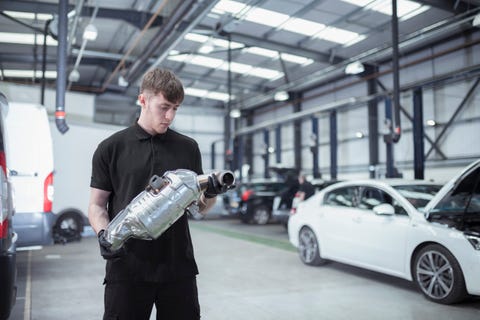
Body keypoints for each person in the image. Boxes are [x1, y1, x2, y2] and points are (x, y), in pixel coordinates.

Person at [88, 68, 227, 320]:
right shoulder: (111, 148)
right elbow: (97, 205)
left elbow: (200, 208)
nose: (170, 116)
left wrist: (212, 194)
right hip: (127, 269)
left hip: (178, 269)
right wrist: (103, 235)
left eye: (176, 108)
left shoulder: (188, 148)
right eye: (164, 107)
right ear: (143, 100)